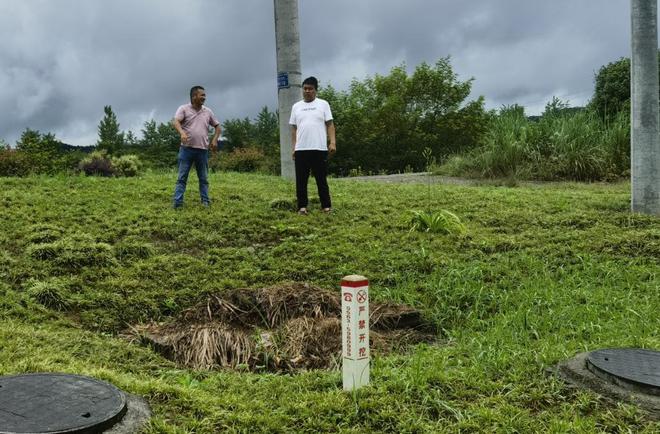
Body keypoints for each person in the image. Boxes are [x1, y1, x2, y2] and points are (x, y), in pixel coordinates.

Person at [289, 76, 336, 215]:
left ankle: (326, 206)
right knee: (301, 180)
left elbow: (330, 124)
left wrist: (332, 142)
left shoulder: (323, 104)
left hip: (319, 148)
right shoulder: (296, 106)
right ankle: (302, 207)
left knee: (321, 179)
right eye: (305, 89)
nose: (307, 91)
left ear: (315, 90)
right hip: (301, 149)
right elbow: (293, 129)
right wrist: (294, 147)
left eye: (310, 89)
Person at [172, 85, 221, 208]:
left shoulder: (208, 111)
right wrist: (182, 133)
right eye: (202, 95)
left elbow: (218, 127)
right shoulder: (183, 108)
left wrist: (215, 140)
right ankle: (178, 203)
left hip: (202, 151)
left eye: (204, 95)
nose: (204, 97)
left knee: (203, 178)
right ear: (194, 96)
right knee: (182, 178)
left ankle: (205, 202)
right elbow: (176, 121)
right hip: (186, 149)